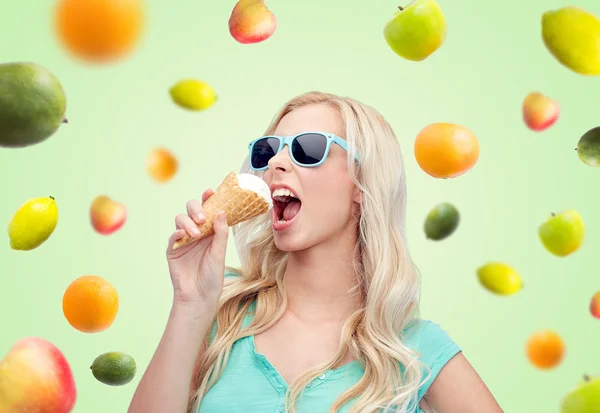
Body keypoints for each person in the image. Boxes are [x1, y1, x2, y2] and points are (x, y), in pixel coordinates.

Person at [128, 91, 504, 413]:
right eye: (268, 150)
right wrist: (191, 304)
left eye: (308, 149)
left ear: (361, 182)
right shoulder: (220, 319)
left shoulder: (413, 349)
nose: (276, 163)